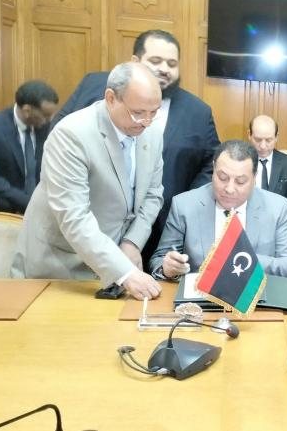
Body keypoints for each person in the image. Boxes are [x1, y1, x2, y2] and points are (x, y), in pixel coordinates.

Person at [50, 29, 220, 267]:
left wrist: (184, 205)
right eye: (156, 60)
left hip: (156, 229)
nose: (164, 68)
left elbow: (210, 164)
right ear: (135, 61)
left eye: (172, 63)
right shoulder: (94, 87)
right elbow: (60, 137)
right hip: (81, 235)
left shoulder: (197, 111)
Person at [11, 62, 165, 301]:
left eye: (154, 112)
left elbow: (153, 195)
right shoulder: (71, 135)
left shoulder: (151, 133)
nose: (146, 121)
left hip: (113, 263)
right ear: (111, 98)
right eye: (138, 112)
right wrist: (125, 272)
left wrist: (132, 243)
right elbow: (74, 217)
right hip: (60, 266)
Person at [150, 140, 287, 280]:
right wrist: (168, 268)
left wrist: (244, 260)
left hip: (254, 294)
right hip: (199, 294)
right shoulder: (184, 205)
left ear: (254, 177)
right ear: (214, 169)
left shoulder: (277, 207)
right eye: (222, 178)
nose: (229, 189)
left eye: (240, 181)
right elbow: (158, 260)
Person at [0, 80, 59, 213]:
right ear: (27, 111)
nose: (50, 119)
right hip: (8, 208)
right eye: (46, 115)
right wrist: (31, 204)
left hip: (45, 207)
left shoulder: (48, 128)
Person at [248, 114, 287, 247]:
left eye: (268, 140)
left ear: (276, 137)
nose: (263, 146)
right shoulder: (239, 162)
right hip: (247, 230)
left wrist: (277, 232)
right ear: (249, 135)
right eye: (258, 139)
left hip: (281, 231)